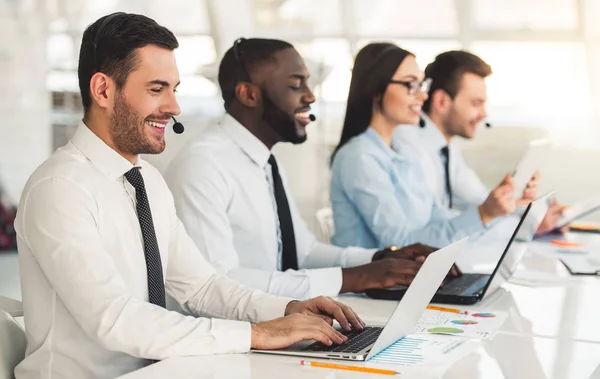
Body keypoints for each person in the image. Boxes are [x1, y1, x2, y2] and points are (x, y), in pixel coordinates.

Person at [14, 14, 365, 379]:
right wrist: (258, 334)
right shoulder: (59, 188)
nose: (173, 107)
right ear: (103, 90)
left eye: (174, 89)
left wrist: (288, 309)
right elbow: (114, 319)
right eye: (156, 89)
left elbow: (202, 286)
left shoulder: (146, 180)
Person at [164, 38, 454, 301]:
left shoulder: (266, 162)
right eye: (295, 85)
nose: (310, 96)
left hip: (278, 323)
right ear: (248, 95)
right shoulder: (204, 166)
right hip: (234, 340)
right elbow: (217, 284)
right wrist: (357, 277)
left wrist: (382, 258)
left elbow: (304, 253)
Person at [329, 43, 524, 250]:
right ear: (377, 88)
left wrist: (494, 213)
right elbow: (400, 244)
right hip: (380, 279)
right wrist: (483, 215)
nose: (423, 96)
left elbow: (438, 219)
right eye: (411, 85)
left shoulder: (404, 151)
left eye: (422, 85)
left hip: (412, 275)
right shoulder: (360, 157)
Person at [392, 50, 563, 234]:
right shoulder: (409, 148)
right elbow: (436, 226)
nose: (484, 114)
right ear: (441, 101)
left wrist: (523, 208)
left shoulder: (447, 147)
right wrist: (527, 226)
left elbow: (479, 200)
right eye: (476, 103)